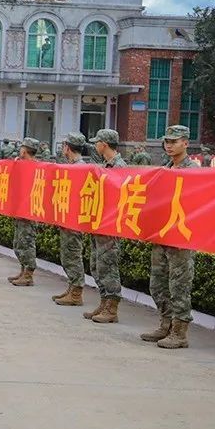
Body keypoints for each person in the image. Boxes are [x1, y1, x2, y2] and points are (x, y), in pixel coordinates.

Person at [141, 125, 199, 349]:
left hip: (181, 238)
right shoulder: (163, 170)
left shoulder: (193, 170)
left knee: (179, 285)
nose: (169, 145)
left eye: (174, 141)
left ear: (186, 143)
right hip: (162, 235)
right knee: (157, 284)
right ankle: (165, 324)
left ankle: (180, 331)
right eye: (167, 141)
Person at [78, 129, 128, 322]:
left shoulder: (120, 167)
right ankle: (104, 302)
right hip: (99, 223)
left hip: (110, 226)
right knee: (96, 265)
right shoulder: (105, 165)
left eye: (97, 142)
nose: (95, 146)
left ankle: (112, 308)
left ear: (104, 144)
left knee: (108, 266)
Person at [51, 133, 89, 306]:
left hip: (74, 220)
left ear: (68, 147)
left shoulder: (80, 168)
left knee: (73, 254)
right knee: (67, 254)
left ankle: (76, 293)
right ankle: (72, 287)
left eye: (64, 145)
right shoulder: (71, 166)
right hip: (67, 217)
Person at [8, 137, 40, 286]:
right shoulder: (21, 164)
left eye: (21, 147)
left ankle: (28, 274)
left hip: (29, 212)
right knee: (19, 242)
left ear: (25, 150)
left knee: (27, 242)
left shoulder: (36, 167)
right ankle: (23, 270)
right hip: (20, 210)